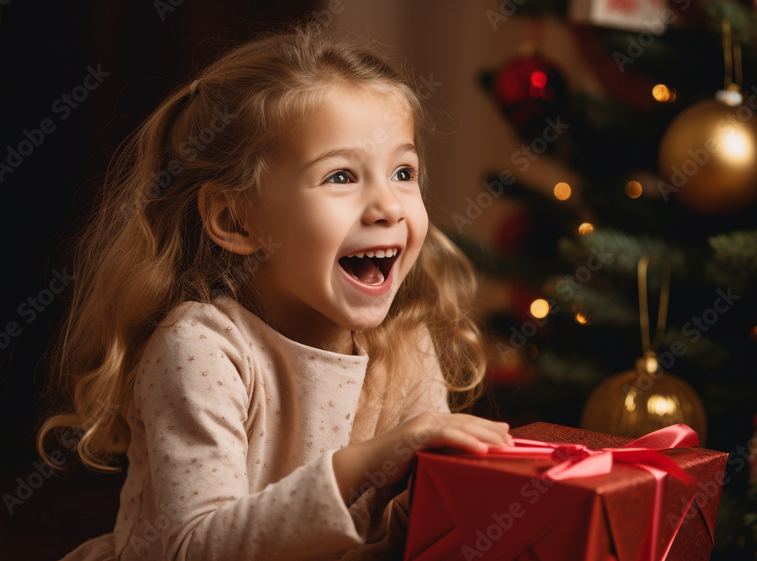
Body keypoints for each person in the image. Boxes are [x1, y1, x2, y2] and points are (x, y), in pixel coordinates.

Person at [39, 21, 512, 561]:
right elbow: (191, 547)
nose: (389, 207)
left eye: (403, 172)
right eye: (341, 177)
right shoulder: (200, 348)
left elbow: (412, 536)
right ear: (235, 220)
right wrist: (374, 461)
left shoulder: (405, 340)